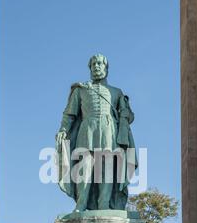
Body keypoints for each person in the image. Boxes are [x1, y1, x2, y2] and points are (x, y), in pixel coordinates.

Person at [56, 54, 137, 212]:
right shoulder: (81, 89)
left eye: (99, 63)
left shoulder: (116, 92)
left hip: (109, 131)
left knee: (106, 169)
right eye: (93, 64)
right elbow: (69, 114)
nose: (96, 66)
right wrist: (63, 130)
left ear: (106, 68)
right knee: (84, 168)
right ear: (90, 68)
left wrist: (126, 113)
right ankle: (81, 204)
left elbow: (129, 116)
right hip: (87, 130)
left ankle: (104, 205)